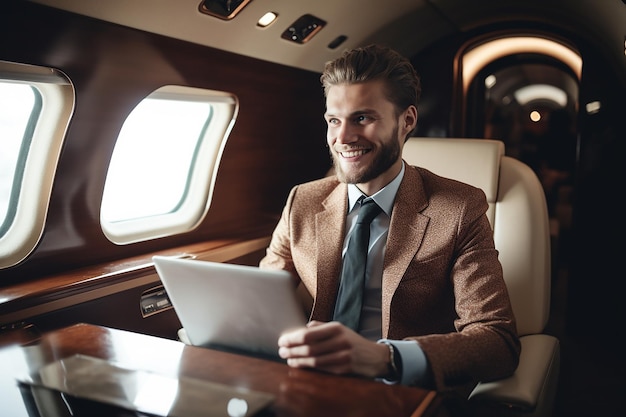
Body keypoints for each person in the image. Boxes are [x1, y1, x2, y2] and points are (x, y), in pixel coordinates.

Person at [259, 44, 520, 399]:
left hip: (401, 393)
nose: (343, 137)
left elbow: (497, 342)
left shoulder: (460, 208)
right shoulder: (302, 201)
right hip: (307, 384)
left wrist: (386, 358)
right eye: (334, 121)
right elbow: (261, 298)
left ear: (407, 121)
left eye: (362, 118)